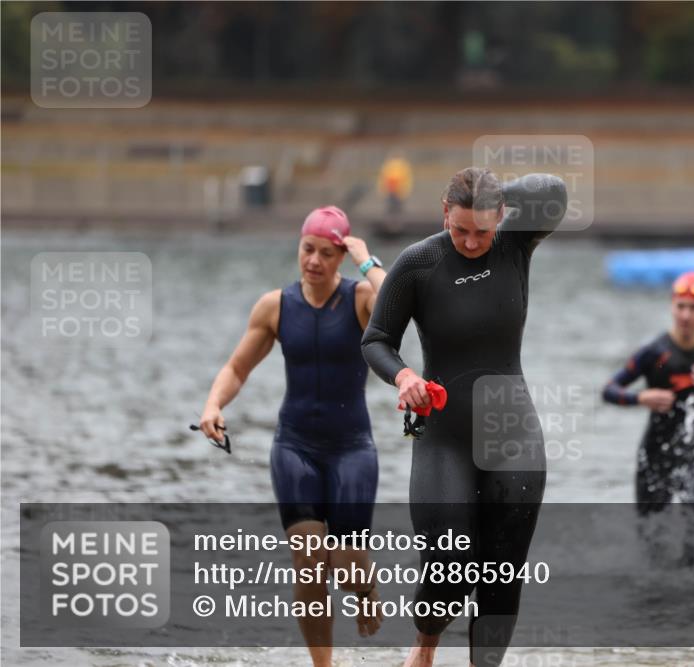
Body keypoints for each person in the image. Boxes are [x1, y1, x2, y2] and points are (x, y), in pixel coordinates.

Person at [361, 168, 567, 667]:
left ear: (501, 218)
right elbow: (376, 340)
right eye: (460, 229)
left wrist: (499, 192)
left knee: (502, 569)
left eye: (482, 229)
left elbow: (556, 194)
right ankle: (426, 642)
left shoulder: (515, 245)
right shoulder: (418, 263)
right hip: (445, 437)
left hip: (512, 431)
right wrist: (404, 376)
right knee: (449, 561)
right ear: (443, 214)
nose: (472, 241)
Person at [199, 206, 387, 667]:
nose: (315, 261)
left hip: (351, 448)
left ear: (341, 256)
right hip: (295, 446)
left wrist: (367, 259)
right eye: (308, 249)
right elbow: (237, 366)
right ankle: (323, 665)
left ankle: (365, 588)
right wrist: (213, 404)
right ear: (298, 247)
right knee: (307, 563)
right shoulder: (276, 306)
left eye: (327, 253)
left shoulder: (362, 298)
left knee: (344, 566)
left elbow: (396, 306)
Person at [603, 271, 694, 565]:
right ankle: (657, 610)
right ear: (672, 307)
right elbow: (609, 390)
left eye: (692, 308)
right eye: (680, 306)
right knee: (652, 549)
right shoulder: (654, 352)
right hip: (655, 457)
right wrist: (640, 398)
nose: (685, 314)